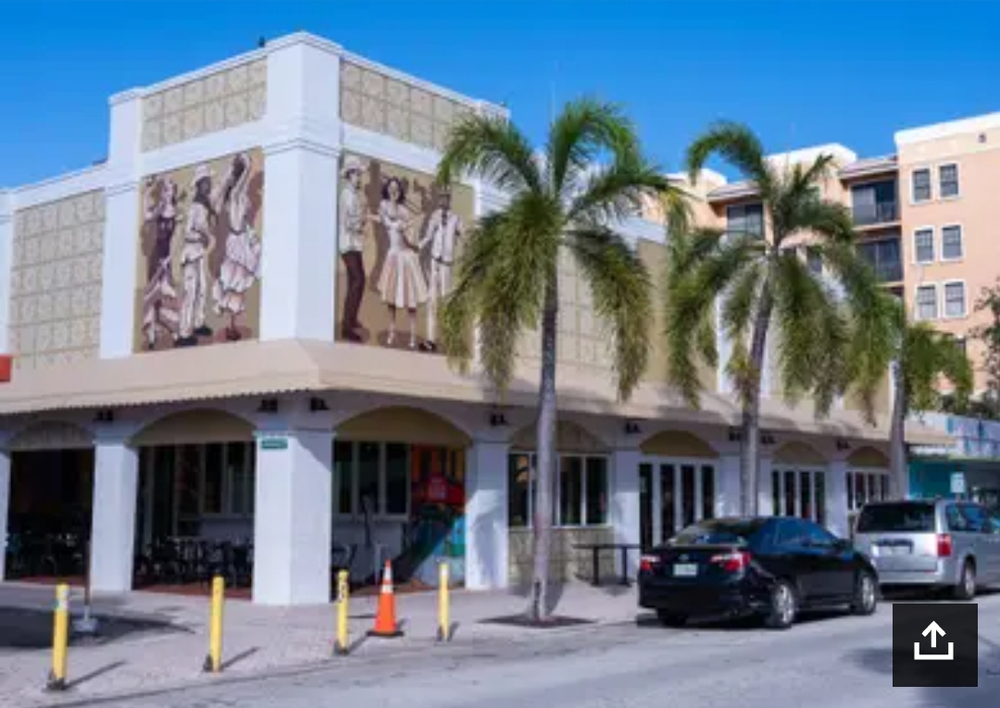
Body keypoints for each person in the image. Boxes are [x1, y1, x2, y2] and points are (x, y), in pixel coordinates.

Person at [177, 164, 229, 347]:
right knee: (191, 292)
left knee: (202, 290)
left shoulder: (205, 205)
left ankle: (198, 323)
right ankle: (184, 332)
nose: (208, 185)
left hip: (199, 252)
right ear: (199, 185)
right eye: (205, 182)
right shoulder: (195, 207)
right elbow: (187, 232)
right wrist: (202, 236)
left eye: (209, 181)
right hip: (191, 252)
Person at [212, 152, 261, 341]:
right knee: (234, 283)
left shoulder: (237, 197)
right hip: (237, 241)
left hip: (241, 238)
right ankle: (230, 322)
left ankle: (232, 323)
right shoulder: (234, 196)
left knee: (237, 284)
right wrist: (247, 167)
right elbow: (242, 184)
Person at [375, 177, 428, 348]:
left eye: (396, 189)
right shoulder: (384, 205)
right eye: (391, 188)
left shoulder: (404, 210)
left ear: (400, 191)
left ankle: (412, 335)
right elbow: (384, 218)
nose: (394, 191)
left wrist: (408, 227)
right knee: (391, 298)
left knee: (410, 299)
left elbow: (410, 231)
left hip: (405, 257)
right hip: (393, 256)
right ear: (387, 189)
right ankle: (392, 332)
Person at [418, 187, 463, 352]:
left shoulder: (456, 218)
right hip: (434, 261)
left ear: (450, 200)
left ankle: (451, 340)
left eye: (446, 198)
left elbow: (463, 235)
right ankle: (430, 340)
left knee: (447, 302)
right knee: (432, 301)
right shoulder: (435, 216)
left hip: (447, 265)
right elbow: (429, 236)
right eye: (441, 197)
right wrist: (419, 245)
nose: (444, 200)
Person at [140, 176, 181, 349]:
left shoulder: (176, 211)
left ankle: (170, 328)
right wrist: (147, 192)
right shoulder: (161, 208)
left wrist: (172, 257)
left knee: (165, 294)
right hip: (156, 256)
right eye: (164, 189)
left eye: (169, 189)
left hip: (167, 256)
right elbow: (148, 216)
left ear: (173, 192)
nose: (166, 192)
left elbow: (177, 238)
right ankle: (151, 334)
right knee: (154, 295)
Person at [338, 155, 369, 342]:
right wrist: (363, 221)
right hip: (349, 243)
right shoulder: (347, 195)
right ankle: (347, 327)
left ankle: (350, 318)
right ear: (350, 174)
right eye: (357, 174)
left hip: (353, 243)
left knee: (355, 282)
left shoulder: (351, 193)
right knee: (358, 281)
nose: (359, 178)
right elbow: (350, 222)